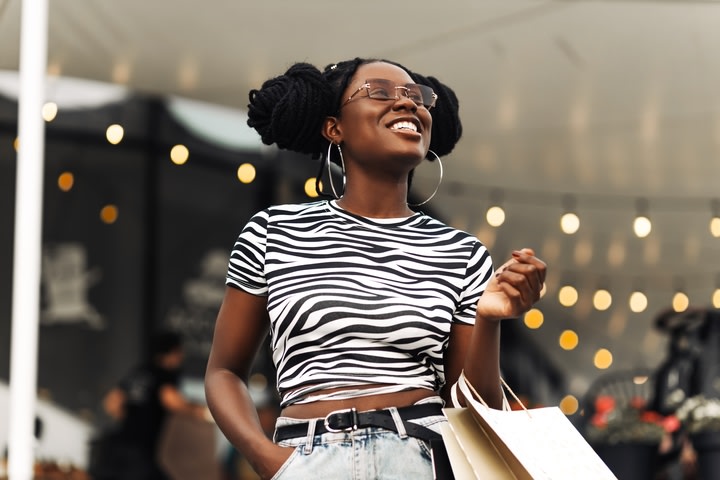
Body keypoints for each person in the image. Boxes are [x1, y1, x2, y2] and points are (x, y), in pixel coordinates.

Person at [204, 57, 547, 480]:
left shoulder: (460, 251)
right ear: (335, 128)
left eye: (416, 97)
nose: (408, 105)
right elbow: (223, 371)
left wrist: (488, 319)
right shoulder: (274, 232)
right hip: (305, 459)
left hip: (421, 460)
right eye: (380, 93)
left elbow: (477, 414)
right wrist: (266, 459)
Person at [93, 330, 210, 480]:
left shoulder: (139, 372)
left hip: (114, 449)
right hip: (138, 456)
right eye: (179, 351)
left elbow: (111, 403)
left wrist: (134, 416)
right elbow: (171, 401)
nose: (182, 356)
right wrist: (204, 412)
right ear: (171, 352)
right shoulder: (164, 374)